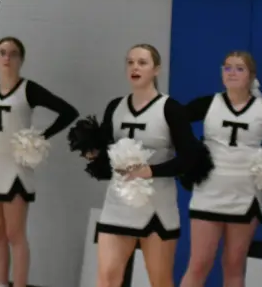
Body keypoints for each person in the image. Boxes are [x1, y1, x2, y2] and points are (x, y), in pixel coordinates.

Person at [179, 51, 262, 287]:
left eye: (239, 68)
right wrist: (191, 154)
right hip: (209, 191)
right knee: (199, 264)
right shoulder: (207, 104)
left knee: (234, 264)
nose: (232, 73)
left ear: (251, 75)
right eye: (227, 67)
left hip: (245, 195)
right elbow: (172, 122)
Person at [83, 44, 202, 287]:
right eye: (130, 62)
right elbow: (107, 155)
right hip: (118, 205)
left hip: (157, 208)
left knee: (160, 281)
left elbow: (191, 157)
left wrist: (151, 171)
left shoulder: (171, 109)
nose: (134, 67)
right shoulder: (115, 107)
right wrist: (93, 154)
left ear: (156, 69)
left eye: (142, 62)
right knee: (106, 278)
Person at [0, 36, 79, 287]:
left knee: (15, 235)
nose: (7, 58)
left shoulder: (28, 89)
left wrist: (40, 137)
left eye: (13, 53)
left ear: (21, 59)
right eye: (2, 52)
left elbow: (69, 112)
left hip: (16, 169)